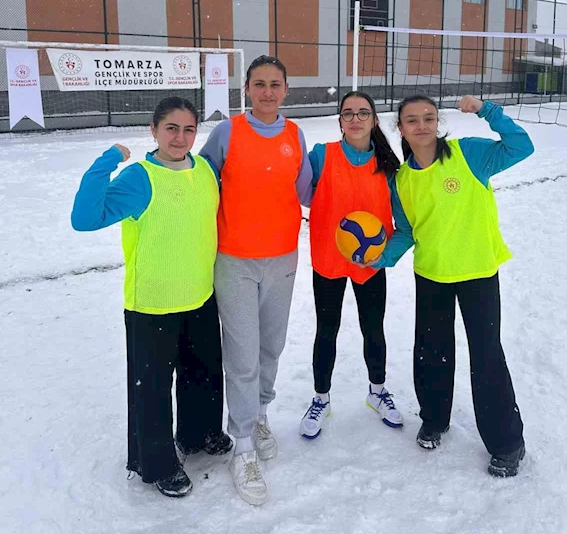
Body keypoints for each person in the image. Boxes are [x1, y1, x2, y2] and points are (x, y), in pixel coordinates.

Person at [71, 96, 231, 498]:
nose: (180, 138)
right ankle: (156, 462)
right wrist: (107, 161)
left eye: (189, 129)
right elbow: (85, 219)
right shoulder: (140, 177)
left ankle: (200, 433)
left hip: (200, 295)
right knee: (153, 388)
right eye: (171, 128)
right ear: (154, 130)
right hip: (153, 303)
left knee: (203, 374)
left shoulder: (205, 171)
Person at [375, 94, 534, 478]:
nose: (421, 126)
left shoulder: (468, 154)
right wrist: (381, 257)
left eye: (428, 118)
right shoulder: (402, 179)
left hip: (477, 272)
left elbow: (521, 147)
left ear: (438, 123)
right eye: (412, 120)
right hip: (432, 274)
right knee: (431, 352)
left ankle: (507, 442)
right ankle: (434, 419)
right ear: (400, 128)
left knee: (487, 355)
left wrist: (486, 110)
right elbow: (407, 230)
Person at [201, 55, 312, 505]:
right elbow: (199, 184)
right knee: (243, 351)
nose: (267, 92)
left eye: (275, 84)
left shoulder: (295, 135)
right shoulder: (227, 133)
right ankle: (242, 442)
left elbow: (307, 191)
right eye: (259, 84)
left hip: (282, 256)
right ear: (246, 88)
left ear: (286, 89)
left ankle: (260, 412)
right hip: (235, 259)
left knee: (271, 344)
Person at [299, 91, 404, 439]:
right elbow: (296, 190)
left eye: (363, 113)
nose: (355, 119)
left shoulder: (388, 166)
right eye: (348, 113)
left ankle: (378, 391)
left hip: (371, 263)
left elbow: (403, 221)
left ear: (374, 120)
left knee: (373, 328)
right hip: (329, 259)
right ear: (340, 121)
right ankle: (320, 398)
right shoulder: (322, 155)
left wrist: (385, 256)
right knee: (326, 330)